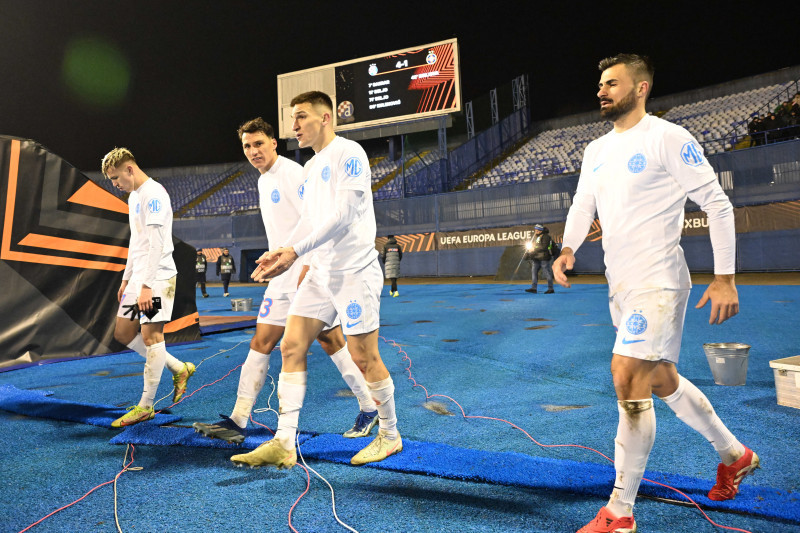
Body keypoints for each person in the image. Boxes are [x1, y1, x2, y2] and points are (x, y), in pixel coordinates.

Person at [553, 54, 759, 533]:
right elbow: (584, 204)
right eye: (600, 83)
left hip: (659, 281)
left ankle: (620, 512)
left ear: (641, 88)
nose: (602, 91)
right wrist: (567, 248)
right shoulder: (595, 150)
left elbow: (717, 204)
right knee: (660, 379)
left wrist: (725, 277)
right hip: (621, 285)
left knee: (626, 374)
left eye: (612, 83)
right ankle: (735, 455)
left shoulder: (668, 137)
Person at [231, 91, 402, 469]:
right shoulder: (309, 168)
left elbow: (344, 214)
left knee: (363, 356)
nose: (293, 127)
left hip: (353, 272)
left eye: (301, 117)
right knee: (290, 346)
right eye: (293, 119)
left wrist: (295, 251)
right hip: (319, 273)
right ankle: (284, 442)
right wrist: (285, 251)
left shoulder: (350, 153)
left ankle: (390, 435)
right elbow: (308, 221)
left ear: (325, 118)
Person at [192, 117, 378, 445]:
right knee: (264, 342)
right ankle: (238, 419)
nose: (253, 151)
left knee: (330, 340)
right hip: (282, 277)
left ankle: (370, 406)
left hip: (306, 273)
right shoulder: (264, 181)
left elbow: (316, 221)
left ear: (274, 142)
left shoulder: (294, 174)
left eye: (259, 144)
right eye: (247, 146)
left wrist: (307, 265)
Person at [101, 147, 195, 428]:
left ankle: (145, 406)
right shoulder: (133, 197)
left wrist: (146, 287)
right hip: (140, 278)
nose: (115, 184)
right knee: (123, 331)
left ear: (130, 168)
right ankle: (179, 368)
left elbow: (156, 245)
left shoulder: (154, 195)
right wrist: (126, 279)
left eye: (116, 177)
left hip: (157, 278)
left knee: (151, 335)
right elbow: (136, 241)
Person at [523, 224, 555, 294]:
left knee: (547, 273)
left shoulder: (546, 237)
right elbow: (535, 246)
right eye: (535, 230)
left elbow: (544, 247)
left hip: (544, 258)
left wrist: (534, 249)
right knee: (534, 273)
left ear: (541, 230)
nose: (536, 231)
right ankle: (534, 288)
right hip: (535, 257)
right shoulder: (535, 237)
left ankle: (551, 288)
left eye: (537, 230)